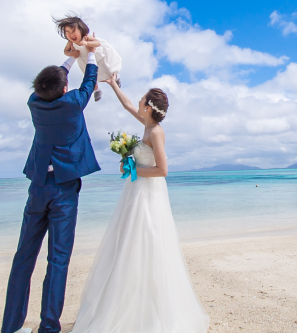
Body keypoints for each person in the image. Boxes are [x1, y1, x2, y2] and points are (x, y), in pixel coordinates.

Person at [71, 73, 209, 333]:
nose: (138, 100)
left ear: (148, 107)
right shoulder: (145, 123)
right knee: (126, 242)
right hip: (134, 192)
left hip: (148, 194)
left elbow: (162, 170)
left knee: (144, 240)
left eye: (142, 98)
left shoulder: (156, 132)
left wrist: (133, 169)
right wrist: (112, 84)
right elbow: (126, 105)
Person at [1, 36, 101, 333]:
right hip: (64, 188)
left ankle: (11, 327)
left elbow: (55, 84)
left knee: (23, 257)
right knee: (58, 259)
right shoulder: (71, 104)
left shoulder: (34, 103)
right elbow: (89, 83)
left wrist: (69, 58)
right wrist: (90, 55)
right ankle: (48, 328)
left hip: (37, 187)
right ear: (64, 89)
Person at [54, 15, 122, 102]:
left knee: (108, 69)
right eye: (67, 32)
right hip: (84, 61)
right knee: (90, 77)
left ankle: (116, 77)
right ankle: (97, 90)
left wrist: (86, 43)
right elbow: (65, 51)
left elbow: (97, 43)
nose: (71, 35)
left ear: (81, 30)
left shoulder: (85, 37)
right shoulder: (70, 42)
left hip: (97, 57)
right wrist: (72, 53)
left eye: (73, 31)